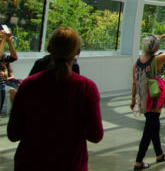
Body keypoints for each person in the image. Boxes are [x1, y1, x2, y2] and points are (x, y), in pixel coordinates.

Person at [7, 27, 103, 170]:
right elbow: (95, 135)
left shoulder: (29, 85)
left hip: (29, 163)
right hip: (70, 164)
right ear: (78, 52)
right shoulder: (86, 88)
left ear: (49, 48)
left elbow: (14, 133)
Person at [131, 34, 165, 170]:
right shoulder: (157, 60)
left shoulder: (138, 62)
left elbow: (135, 82)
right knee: (149, 129)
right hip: (154, 98)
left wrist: (133, 99)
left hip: (143, 98)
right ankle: (138, 161)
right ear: (156, 47)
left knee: (154, 125)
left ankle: (159, 154)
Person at [0, 29, 18, 115]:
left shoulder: (2, 55)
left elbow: (14, 57)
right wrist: (3, 40)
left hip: (1, 86)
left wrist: (9, 41)